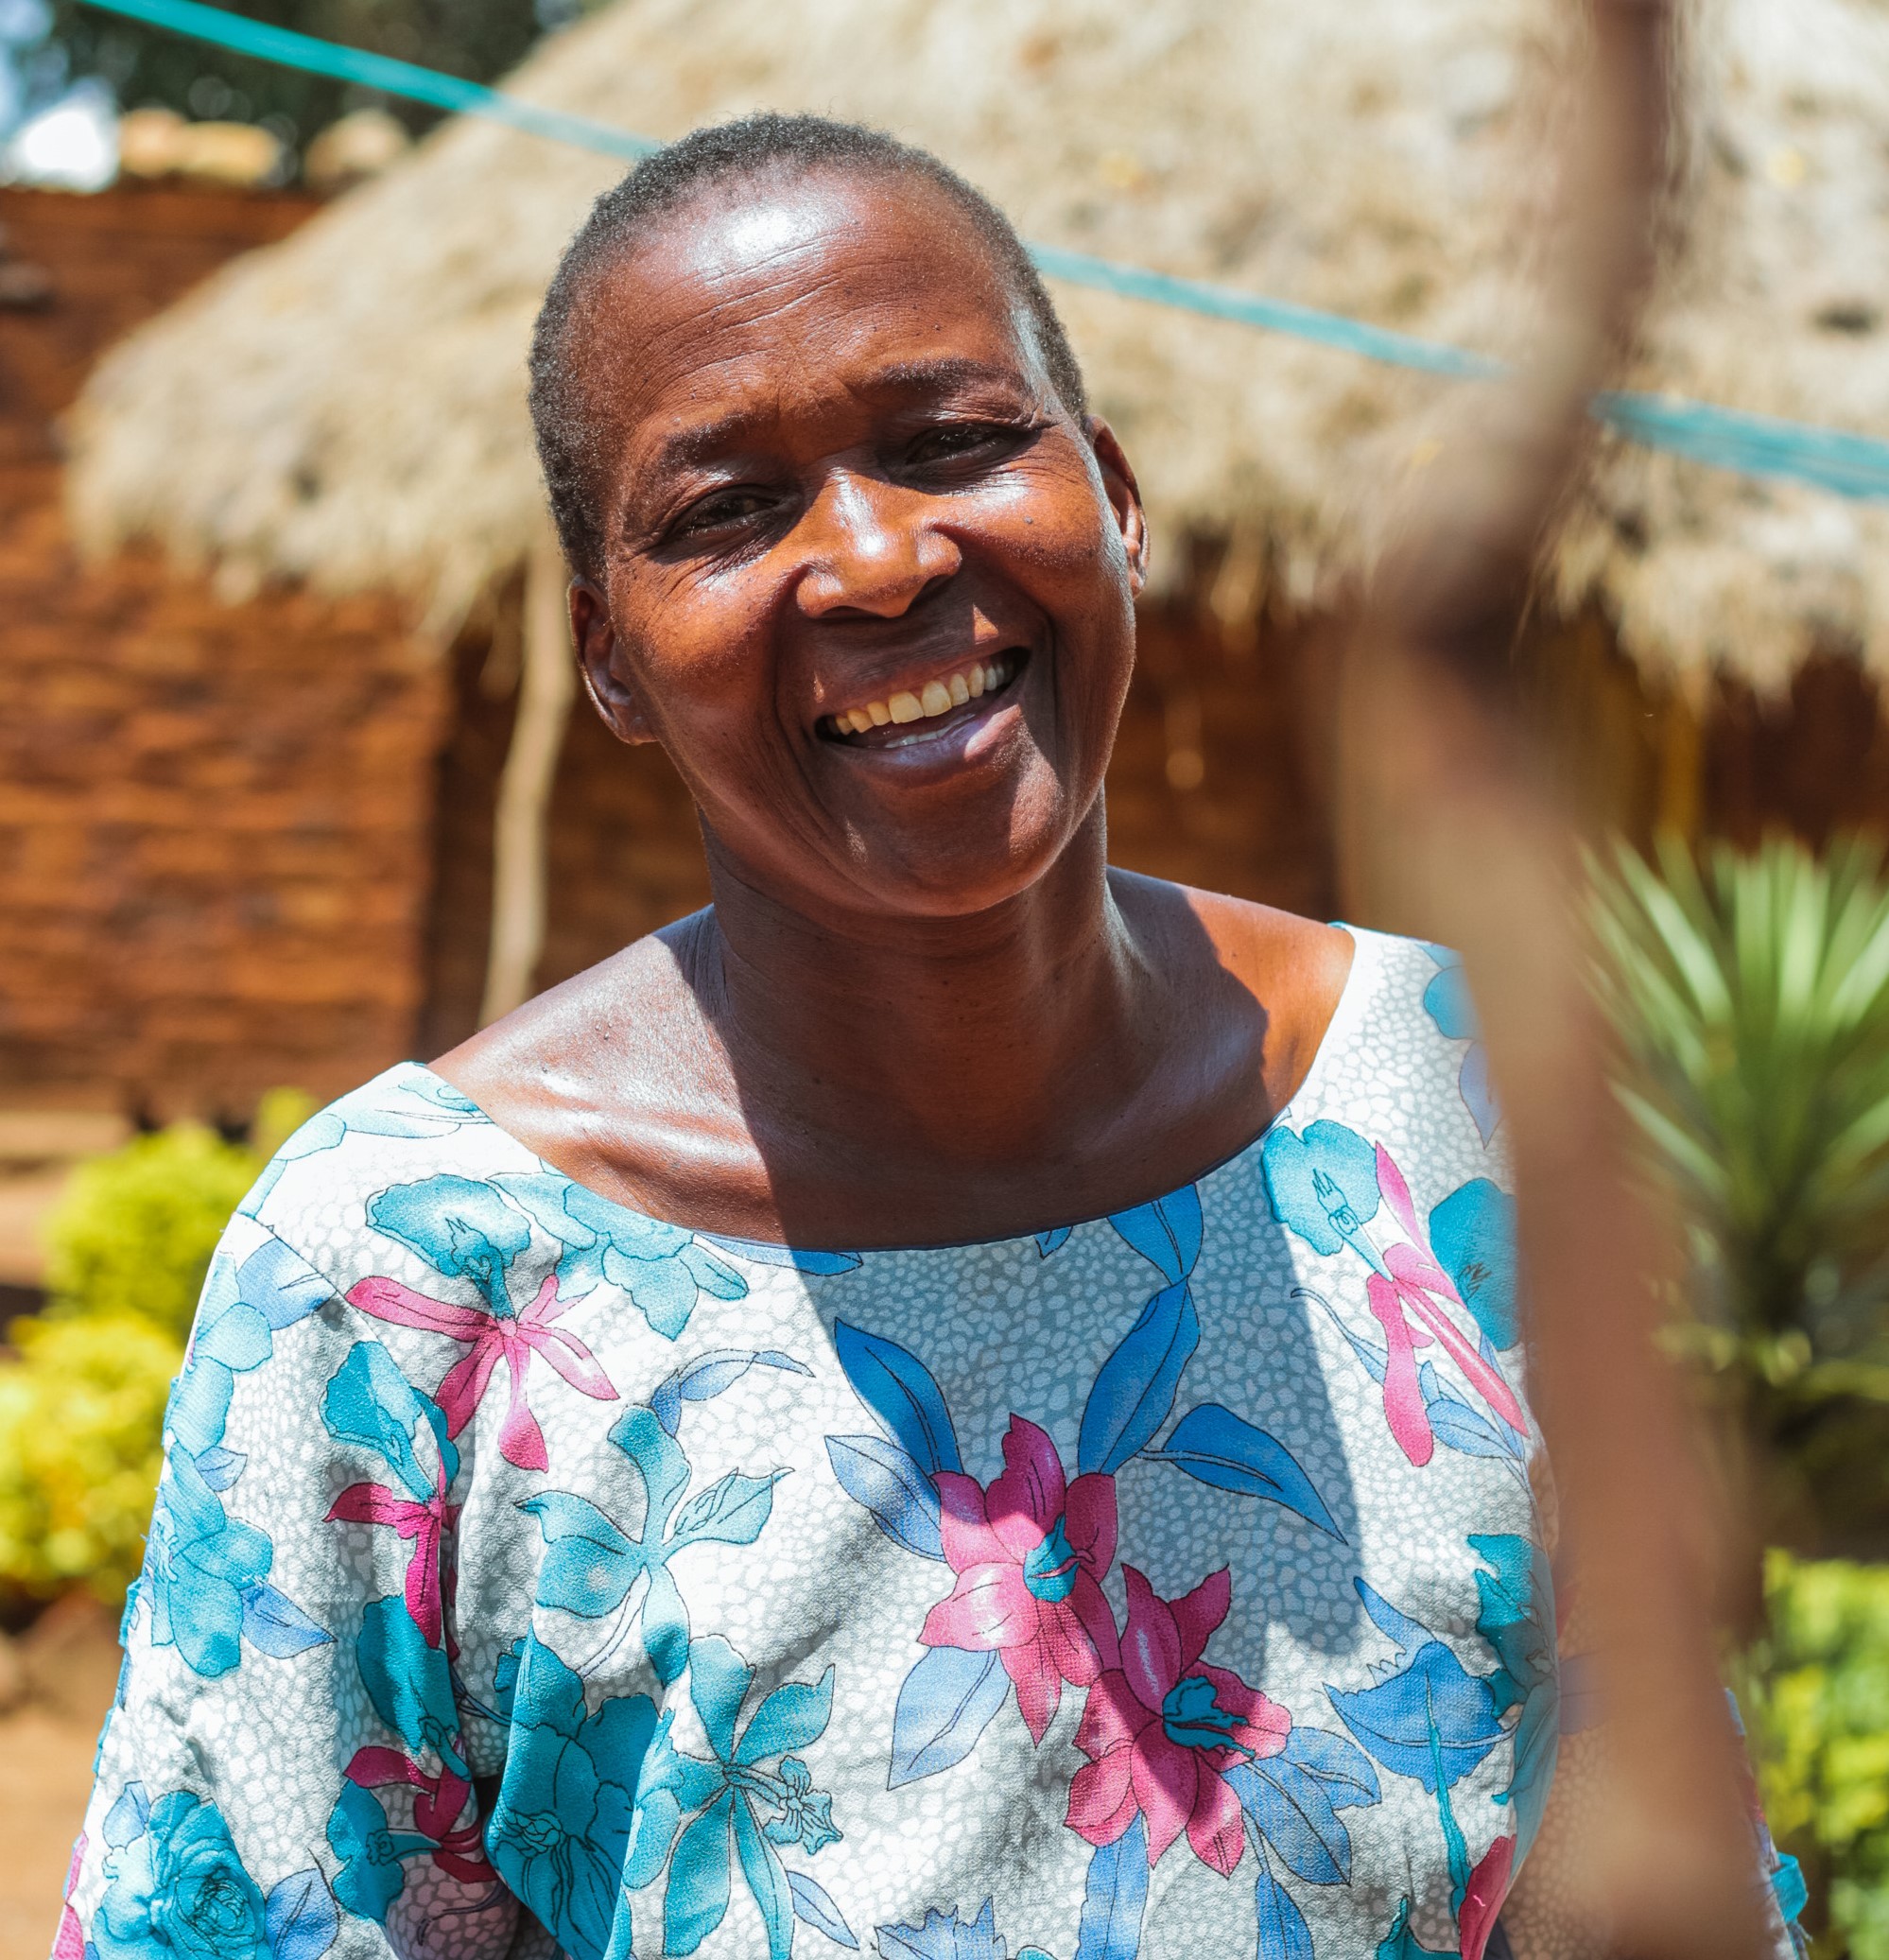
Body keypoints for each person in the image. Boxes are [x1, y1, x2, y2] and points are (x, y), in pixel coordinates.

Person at [57, 115, 1797, 1960]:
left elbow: (1644, 1831)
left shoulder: (1449, 1098)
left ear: (1114, 498)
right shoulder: (405, 1278)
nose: (880, 559)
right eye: (726, 511)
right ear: (611, 656)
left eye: (955, 441)